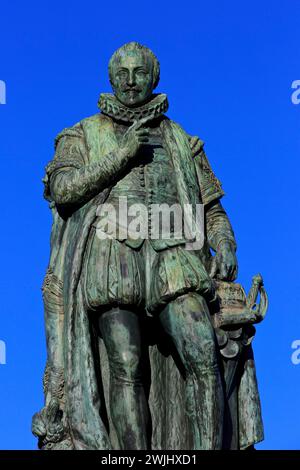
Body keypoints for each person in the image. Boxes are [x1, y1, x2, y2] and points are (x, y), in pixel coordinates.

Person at [32, 42, 263, 451]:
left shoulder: (182, 140)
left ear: (153, 77)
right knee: (125, 366)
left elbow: (213, 211)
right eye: (122, 72)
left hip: (176, 255)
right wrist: (121, 156)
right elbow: (63, 190)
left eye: (139, 72)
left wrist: (226, 243)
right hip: (112, 255)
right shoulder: (80, 134)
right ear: (110, 78)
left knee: (203, 354)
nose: (130, 80)